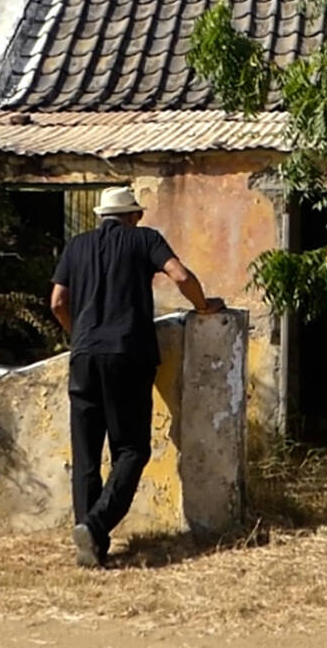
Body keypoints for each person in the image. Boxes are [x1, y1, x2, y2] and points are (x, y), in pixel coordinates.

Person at [49, 185, 223, 568]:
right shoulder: (145, 239)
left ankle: (90, 541)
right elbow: (179, 276)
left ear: (101, 216)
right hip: (128, 354)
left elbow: (58, 302)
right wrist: (203, 305)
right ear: (133, 216)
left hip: (83, 356)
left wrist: (78, 335)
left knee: (87, 456)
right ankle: (95, 526)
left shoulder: (77, 246)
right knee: (131, 449)